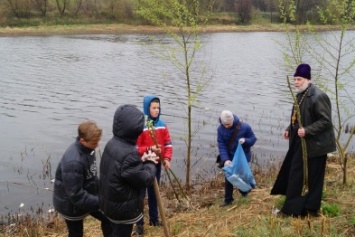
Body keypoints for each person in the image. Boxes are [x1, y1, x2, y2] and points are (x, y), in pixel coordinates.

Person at [270, 63, 336, 217]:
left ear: (308, 79)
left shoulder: (318, 96)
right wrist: (289, 128)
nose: (296, 83)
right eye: (294, 80)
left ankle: (297, 211)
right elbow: (298, 118)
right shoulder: (301, 95)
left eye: (299, 79)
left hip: (316, 146)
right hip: (301, 143)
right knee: (298, 175)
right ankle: (308, 209)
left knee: (307, 177)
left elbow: (326, 122)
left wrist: (307, 130)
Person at [99, 104, 157, 237]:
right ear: (134, 129)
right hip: (122, 211)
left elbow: (124, 170)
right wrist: (150, 163)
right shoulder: (129, 153)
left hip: (107, 205)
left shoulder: (111, 143)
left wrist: (141, 160)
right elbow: (145, 179)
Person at [52, 120, 112, 237]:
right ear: (82, 140)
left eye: (98, 141)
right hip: (70, 205)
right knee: (76, 234)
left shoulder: (89, 149)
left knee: (108, 218)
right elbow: (76, 195)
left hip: (86, 197)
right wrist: (100, 202)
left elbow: (92, 176)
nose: (97, 145)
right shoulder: (74, 162)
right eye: (94, 142)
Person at [134, 96, 173, 236]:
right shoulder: (141, 126)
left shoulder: (162, 124)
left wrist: (167, 158)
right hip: (143, 164)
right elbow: (136, 148)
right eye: (154, 108)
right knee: (140, 194)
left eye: (158, 107)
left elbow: (168, 144)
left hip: (156, 164)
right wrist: (150, 148)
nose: (157, 110)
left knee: (154, 192)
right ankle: (139, 225)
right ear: (147, 109)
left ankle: (154, 219)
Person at [217, 110, 257, 207]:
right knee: (229, 177)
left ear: (233, 120)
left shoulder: (245, 127)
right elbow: (221, 145)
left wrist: (245, 141)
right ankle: (228, 200)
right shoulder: (220, 129)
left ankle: (245, 193)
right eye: (225, 124)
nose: (227, 126)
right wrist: (225, 159)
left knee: (241, 176)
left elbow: (253, 139)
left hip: (242, 157)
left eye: (229, 124)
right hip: (229, 158)